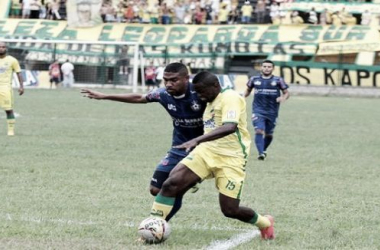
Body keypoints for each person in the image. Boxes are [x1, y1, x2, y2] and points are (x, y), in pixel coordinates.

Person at [149, 71, 275, 240]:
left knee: (230, 210)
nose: (199, 96)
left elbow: (230, 127)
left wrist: (195, 140)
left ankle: (265, 223)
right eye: (197, 92)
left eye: (201, 91)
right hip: (206, 152)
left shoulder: (230, 97)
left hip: (231, 158)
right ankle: (153, 228)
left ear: (215, 86)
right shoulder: (209, 101)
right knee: (171, 184)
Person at [81, 62, 206, 222]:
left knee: (173, 186)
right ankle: (184, 185)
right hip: (179, 147)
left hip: (203, 148)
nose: (168, 84)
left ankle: (158, 224)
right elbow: (139, 97)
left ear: (186, 78)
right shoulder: (163, 94)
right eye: (165, 80)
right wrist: (105, 96)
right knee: (156, 189)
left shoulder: (201, 93)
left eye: (174, 80)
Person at [244, 60, 289, 161]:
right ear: (261, 68)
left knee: (269, 134)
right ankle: (261, 153)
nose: (266, 68)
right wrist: (242, 98)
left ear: (273, 68)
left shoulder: (278, 80)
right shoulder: (254, 79)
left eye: (269, 67)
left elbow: (286, 92)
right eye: (264, 66)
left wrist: (283, 98)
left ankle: (263, 150)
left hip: (272, 112)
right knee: (259, 130)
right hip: (258, 110)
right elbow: (247, 90)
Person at [0, 42, 24, 136]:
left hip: (5, 87)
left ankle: (10, 130)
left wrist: (21, 86)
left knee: (8, 109)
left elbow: (19, 73)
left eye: (3, 47)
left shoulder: (12, 60)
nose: (1, 48)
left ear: (6, 48)